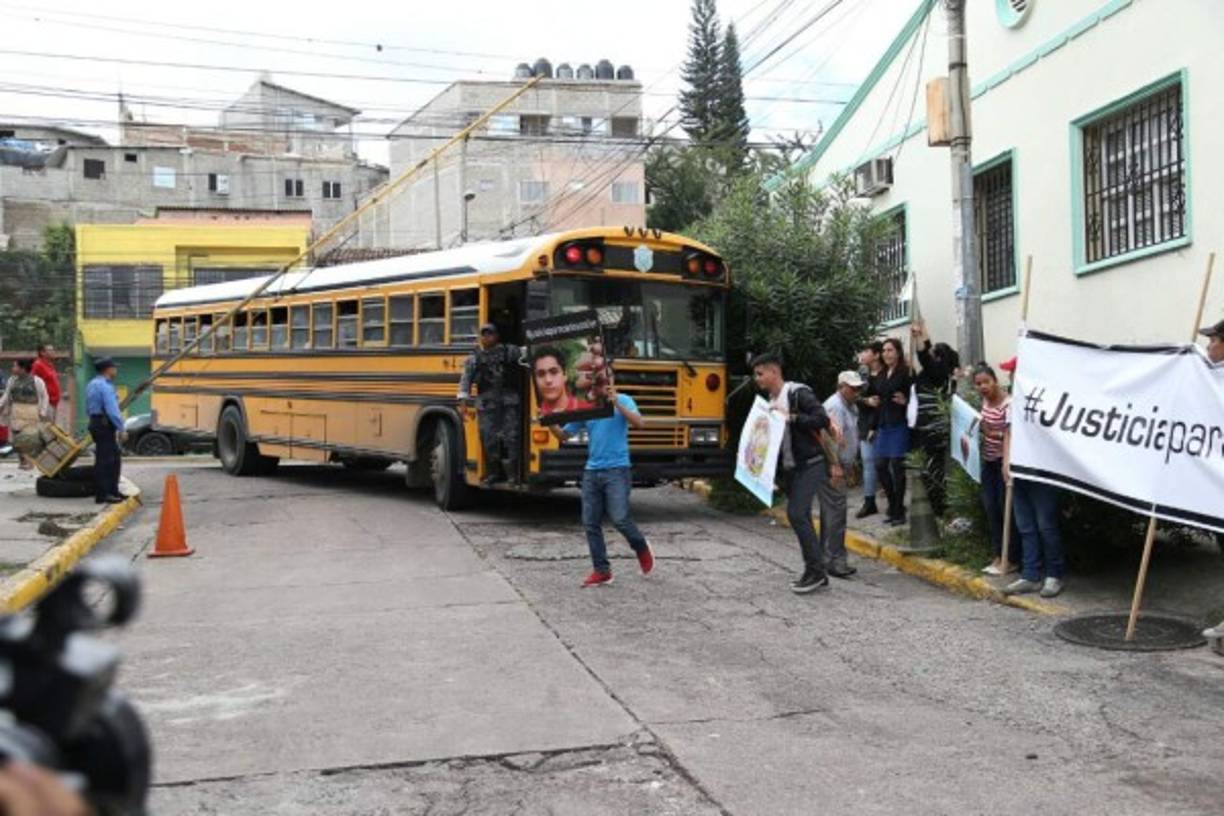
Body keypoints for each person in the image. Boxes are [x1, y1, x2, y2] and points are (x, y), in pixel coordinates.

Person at [546, 372, 654, 588]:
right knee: (590, 522)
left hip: (617, 470)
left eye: (606, 382)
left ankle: (641, 547)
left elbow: (639, 423)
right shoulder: (587, 407)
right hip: (592, 471)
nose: (602, 386)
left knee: (620, 518)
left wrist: (617, 404)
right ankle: (602, 571)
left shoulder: (623, 400)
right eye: (598, 383)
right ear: (592, 386)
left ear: (612, 383)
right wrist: (549, 422)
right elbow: (564, 435)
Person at [750, 353, 836, 594]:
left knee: (796, 514)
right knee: (802, 516)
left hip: (812, 463)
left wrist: (792, 418)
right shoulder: (770, 400)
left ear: (774, 372)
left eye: (760, 373)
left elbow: (822, 418)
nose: (757, 378)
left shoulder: (797, 393)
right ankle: (816, 571)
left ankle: (816, 572)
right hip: (793, 467)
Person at [458, 323, 524, 485]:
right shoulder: (475, 358)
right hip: (487, 403)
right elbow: (466, 379)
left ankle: (512, 475)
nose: (487, 337)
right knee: (489, 438)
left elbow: (529, 352)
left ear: (497, 336)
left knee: (511, 437)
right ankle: (494, 473)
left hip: (508, 401)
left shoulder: (510, 351)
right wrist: (463, 401)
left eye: (490, 334)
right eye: (484, 334)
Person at [972, 364, 1020, 575]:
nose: (983, 387)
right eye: (978, 384)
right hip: (988, 461)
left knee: (1005, 510)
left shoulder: (1008, 404)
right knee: (991, 509)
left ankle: (1011, 557)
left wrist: (994, 435)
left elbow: (1012, 434)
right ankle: (999, 554)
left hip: (1003, 463)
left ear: (995, 381)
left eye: (986, 382)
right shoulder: (984, 401)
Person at [910, 321, 959, 517]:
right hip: (926, 425)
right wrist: (923, 334)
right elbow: (926, 355)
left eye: (934, 353)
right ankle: (937, 505)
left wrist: (920, 336)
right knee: (932, 466)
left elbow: (924, 355)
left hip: (930, 427)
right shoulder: (938, 373)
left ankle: (938, 507)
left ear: (939, 357)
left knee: (932, 467)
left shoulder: (937, 371)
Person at [821, 370, 865, 578]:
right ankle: (835, 561)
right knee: (836, 514)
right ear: (841, 387)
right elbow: (828, 438)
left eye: (858, 388)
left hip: (840, 464)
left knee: (831, 513)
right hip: (833, 466)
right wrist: (835, 465)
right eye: (853, 388)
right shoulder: (836, 406)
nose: (856, 392)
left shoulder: (849, 405)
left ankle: (826, 558)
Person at [873, 338, 913, 526]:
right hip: (883, 424)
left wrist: (906, 401)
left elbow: (915, 397)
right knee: (880, 465)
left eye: (890, 350)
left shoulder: (906, 372)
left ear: (898, 352)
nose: (886, 353)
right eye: (884, 350)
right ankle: (894, 505)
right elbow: (877, 395)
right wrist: (872, 401)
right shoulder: (881, 373)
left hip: (899, 423)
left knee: (898, 468)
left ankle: (899, 511)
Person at [86, 357, 126, 504]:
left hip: (96, 422)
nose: (116, 370)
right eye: (114, 367)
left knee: (112, 458)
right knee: (106, 460)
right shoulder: (105, 386)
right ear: (107, 369)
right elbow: (112, 410)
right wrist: (121, 428)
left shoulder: (92, 384)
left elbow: (88, 408)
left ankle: (112, 490)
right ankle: (103, 494)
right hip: (104, 424)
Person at [0, 359, 52, 470]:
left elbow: (45, 396)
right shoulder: (12, 380)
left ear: (22, 368)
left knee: (29, 438)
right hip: (16, 411)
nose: (13, 368)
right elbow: (6, 395)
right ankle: (22, 461)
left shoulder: (37, 381)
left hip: (31, 411)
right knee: (17, 437)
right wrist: (1, 405)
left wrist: (43, 411)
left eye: (15, 366)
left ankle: (30, 462)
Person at [855, 341, 885, 519]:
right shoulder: (861, 373)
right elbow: (854, 396)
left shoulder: (886, 373)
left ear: (876, 355)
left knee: (886, 463)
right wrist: (866, 401)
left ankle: (894, 501)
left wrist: (875, 425)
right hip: (865, 424)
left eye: (866, 351)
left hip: (883, 423)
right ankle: (869, 501)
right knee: (868, 462)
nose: (862, 354)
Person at [31, 343, 61, 423]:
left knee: (51, 427)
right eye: (50, 350)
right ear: (42, 353)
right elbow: (33, 382)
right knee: (46, 428)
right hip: (46, 403)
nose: (53, 352)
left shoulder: (50, 365)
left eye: (53, 350)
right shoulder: (38, 365)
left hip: (53, 403)